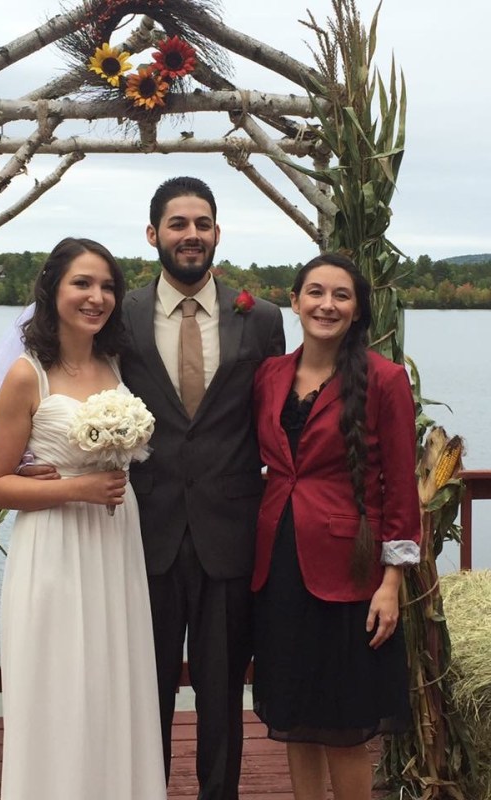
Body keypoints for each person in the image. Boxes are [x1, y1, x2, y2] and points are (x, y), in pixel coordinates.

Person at [0, 238, 167, 800]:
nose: (97, 297)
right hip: (55, 547)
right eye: (82, 283)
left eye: (107, 286)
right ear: (53, 289)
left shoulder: (113, 365)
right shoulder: (25, 374)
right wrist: (77, 487)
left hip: (113, 543)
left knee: (112, 682)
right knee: (61, 686)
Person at [119, 176, 286, 799]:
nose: (191, 235)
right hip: (142, 531)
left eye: (202, 224)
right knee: (146, 691)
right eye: (178, 223)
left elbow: (275, 415)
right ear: (153, 234)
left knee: (222, 695)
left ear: (217, 232)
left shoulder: (262, 319)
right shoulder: (122, 313)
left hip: (228, 534)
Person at [251, 253, 421, 800]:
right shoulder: (271, 374)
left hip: (350, 573)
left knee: (345, 724)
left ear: (357, 309)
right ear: (295, 301)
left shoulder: (385, 379)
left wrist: (391, 583)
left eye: (341, 295)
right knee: (296, 716)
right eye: (316, 292)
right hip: (278, 565)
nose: (327, 304)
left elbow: (400, 484)